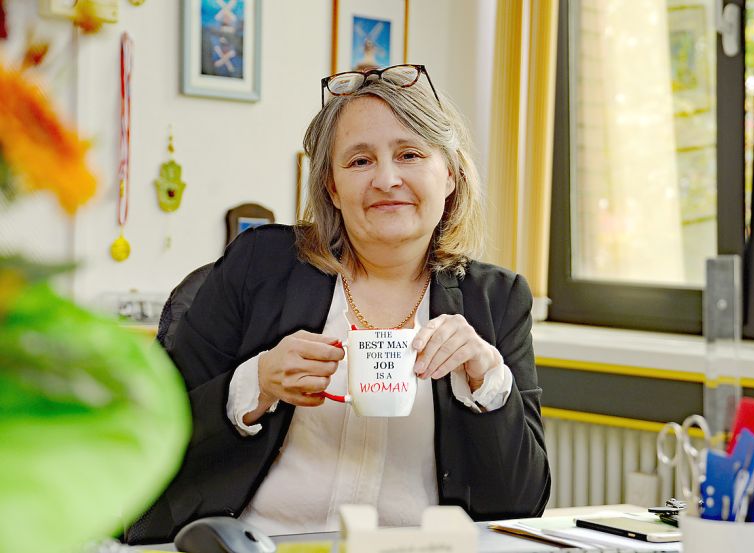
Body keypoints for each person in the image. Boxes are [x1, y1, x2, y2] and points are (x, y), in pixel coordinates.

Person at [127, 64, 550, 543]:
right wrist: (256, 384)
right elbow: (151, 430)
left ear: (449, 175)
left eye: (410, 154)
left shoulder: (497, 299)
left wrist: (487, 379)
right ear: (332, 186)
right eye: (359, 161)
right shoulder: (260, 265)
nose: (387, 179)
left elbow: (523, 504)